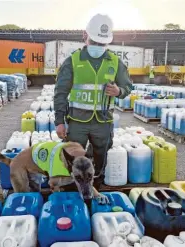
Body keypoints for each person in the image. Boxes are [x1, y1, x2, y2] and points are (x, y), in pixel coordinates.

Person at [53, 13, 132, 187]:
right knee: (72, 158)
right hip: (77, 122)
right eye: (94, 41)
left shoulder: (115, 62)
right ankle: (73, 189)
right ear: (85, 36)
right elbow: (60, 92)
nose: (98, 46)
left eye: (102, 43)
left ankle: (96, 187)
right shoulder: (72, 61)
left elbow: (128, 87)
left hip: (103, 122)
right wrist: (59, 121)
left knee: (100, 157)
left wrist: (119, 91)